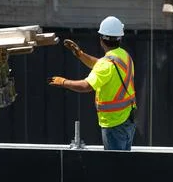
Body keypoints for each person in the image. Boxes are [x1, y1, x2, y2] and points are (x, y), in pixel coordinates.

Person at [48, 16, 137, 151]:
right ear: (120, 38)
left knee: (116, 167)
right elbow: (101, 65)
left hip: (114, 123)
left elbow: (86, 86)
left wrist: (63, 82)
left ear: (101, 40)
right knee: (123, 164)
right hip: (127, 119)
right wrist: (80, 54)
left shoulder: (106, 64)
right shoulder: (124, 56)